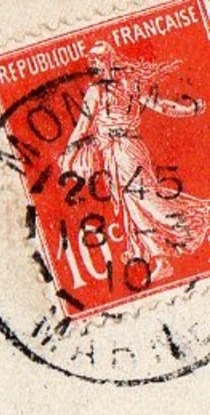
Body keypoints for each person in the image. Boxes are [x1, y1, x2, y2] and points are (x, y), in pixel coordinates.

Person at [60, 40, 210, 281]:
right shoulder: (127, 85)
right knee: (135, 204)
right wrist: (189, 109)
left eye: (96, 62)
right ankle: (159, 257)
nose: (93, 67)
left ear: (106, 62)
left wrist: (68, 161)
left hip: (123, 151)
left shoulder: (98, 91)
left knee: (145, 200)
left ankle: (200, 217)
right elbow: (162, 106)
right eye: (91, 63)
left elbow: (82, 129)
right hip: (126, 150)